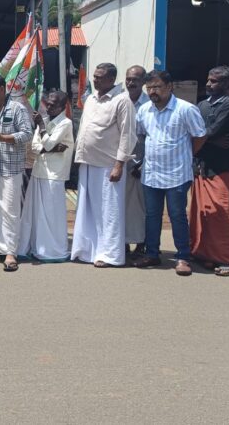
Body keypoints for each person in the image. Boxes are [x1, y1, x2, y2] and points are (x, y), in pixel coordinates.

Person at [132, 71, 207, 276]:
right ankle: (152, 253)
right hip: (151, 173)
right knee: (152, 215)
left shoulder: (185, 109)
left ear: (169, 87)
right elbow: (140, 135)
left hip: (177, 174)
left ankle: (183, 256)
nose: (152, 91)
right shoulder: (145, 110)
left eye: (157, 87)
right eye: (149, 88)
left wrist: (187, 154)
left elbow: (200, 136)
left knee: (177, 215)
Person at [71, 63, 136, 268]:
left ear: (111, 79)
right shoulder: (90, 98)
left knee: (109, 213)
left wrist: (119, 165)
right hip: (87, 162)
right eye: (95, 76)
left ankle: (110, 255)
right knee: (87, 210)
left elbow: (127, 135)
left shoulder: (122, 101)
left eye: (100, 77)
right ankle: (87, 250)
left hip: (109, 165)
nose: (95, 80)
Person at [191, 66, 229, 276]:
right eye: (208, 80)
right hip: (201, 166)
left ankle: (226, 259)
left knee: (222, 212)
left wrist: (204, 139)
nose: (209, 84)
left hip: (222, 167)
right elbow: (194, 131)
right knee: (202, 213)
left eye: (215, 81)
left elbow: (211, 131)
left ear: (227, 84)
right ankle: (203, 253)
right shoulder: (202, 104)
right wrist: (208, 140)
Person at [0, 76, 32, 271]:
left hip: (11, 168)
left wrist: (5, 138)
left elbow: (27, 133)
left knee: (10, 211)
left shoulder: (17, 108)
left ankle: (12, 252)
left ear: (2, 89)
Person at [19, 91, 74, 263]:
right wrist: (48, 145)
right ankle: (36, 247)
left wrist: (43, 131)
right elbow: (35, 147)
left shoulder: (65, 123)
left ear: (62, 106)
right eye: (47, 104)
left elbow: (48, 144)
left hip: (54, 175)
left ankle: (52, 250)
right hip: (38, 171)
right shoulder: (43, 120)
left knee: (51, 215)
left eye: (53, 105)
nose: (48, 107)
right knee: (34, 214)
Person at [124, 65, 150, 255]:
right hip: (119, 164)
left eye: (135, 80)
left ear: (143, 82)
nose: (131, 83)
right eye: (128, 79)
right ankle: (122, 243)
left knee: (141, 208)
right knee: (120, 206)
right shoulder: (119, 101)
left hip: (141, 166)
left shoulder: (149, 105)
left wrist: (143, 163)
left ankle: (141, 244)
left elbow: (153, 137)